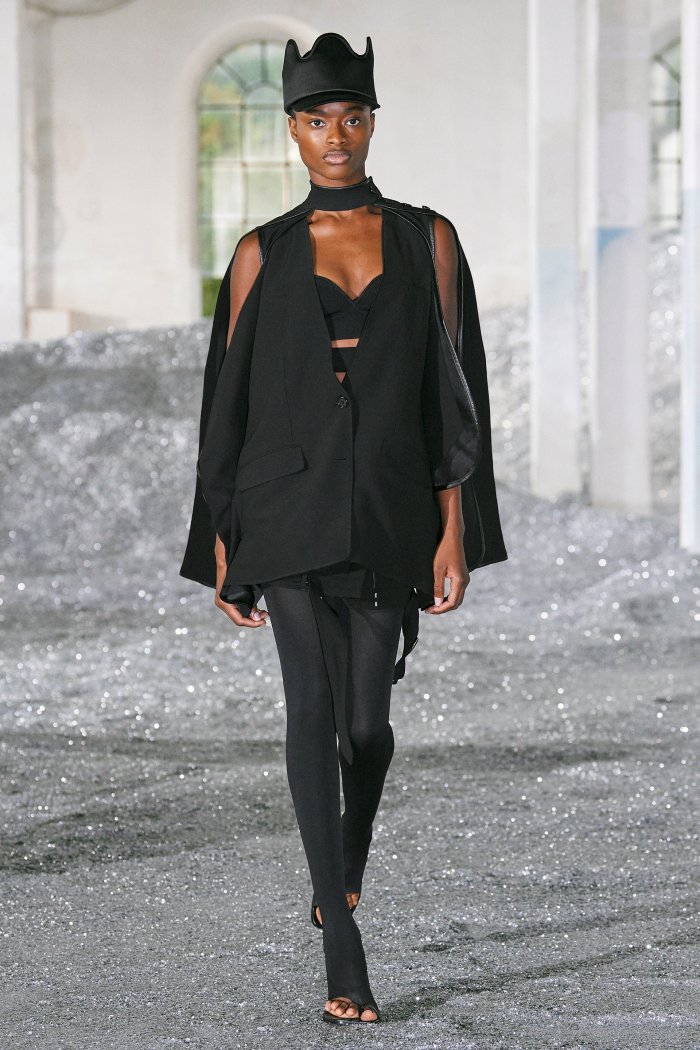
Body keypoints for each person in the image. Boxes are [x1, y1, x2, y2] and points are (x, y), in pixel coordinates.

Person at [180, 32, 508, 1026]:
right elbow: (227, 403)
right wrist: (221, 537)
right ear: (291, 131)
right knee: (312, 710)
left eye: (351, 117)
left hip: (393, 509)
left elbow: (457, 398)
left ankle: (343, 865)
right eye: (315, 120)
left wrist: (456, 530)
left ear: (371, 124)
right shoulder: (262, 253)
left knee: (366, 726)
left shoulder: (427, 239)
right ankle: (343, 951)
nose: (335, 136)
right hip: (285, 507)